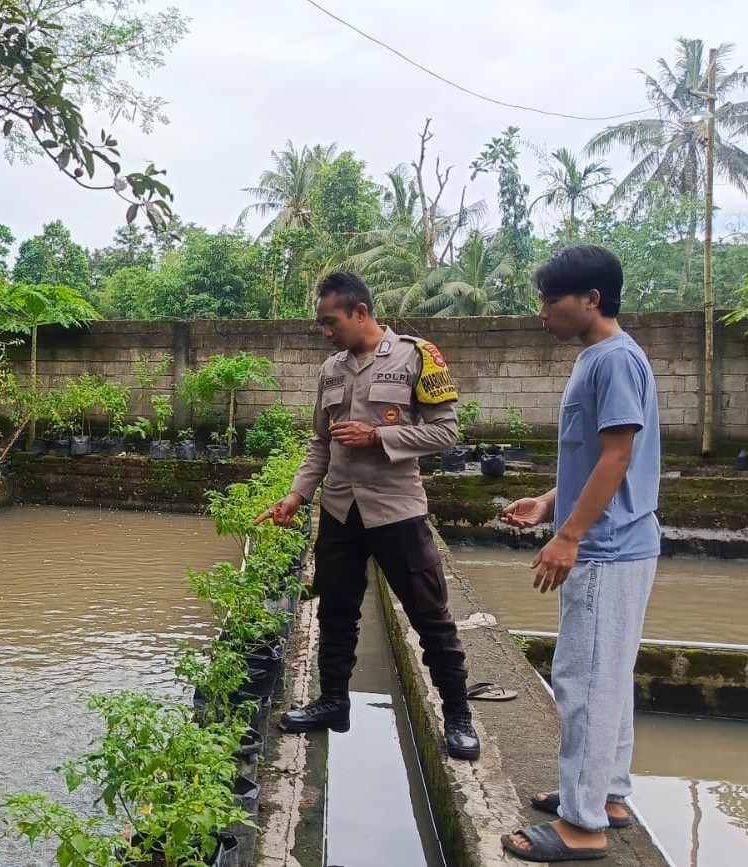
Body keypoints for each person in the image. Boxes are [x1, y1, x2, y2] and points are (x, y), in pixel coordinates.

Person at [255, 271, 479, 761]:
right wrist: (296, 496)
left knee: (430, 617)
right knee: (335, 612)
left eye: (330, 321)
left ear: (360, 312)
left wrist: (381, 437)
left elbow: (446, 434)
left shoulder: (417, 356)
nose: (324, 331)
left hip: (397, 511)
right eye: (320, 323)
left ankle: (459, 717)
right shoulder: (331, 369)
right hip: (339, 510)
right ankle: (333, 702)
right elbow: (320, 442)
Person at [498, 245, 661, 863]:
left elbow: (618, 456)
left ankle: (582, 826)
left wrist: (568, 536)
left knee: (585, 681)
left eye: (550, 300)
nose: (542, 312)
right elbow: (597, 459)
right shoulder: (605, 357)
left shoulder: (613, 360)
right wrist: (548, 502)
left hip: (607, 548)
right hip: (618, 541)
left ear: (590, 300)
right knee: (607, 677)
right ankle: (608, 797)